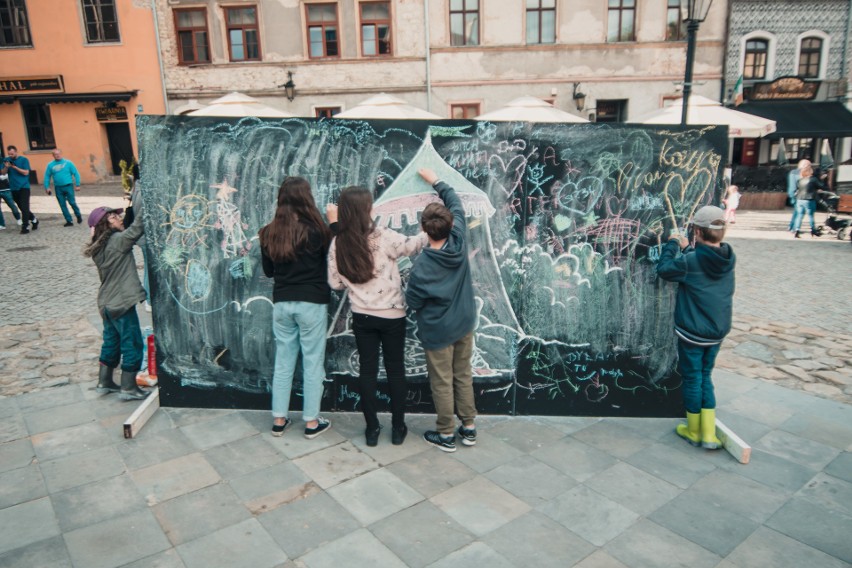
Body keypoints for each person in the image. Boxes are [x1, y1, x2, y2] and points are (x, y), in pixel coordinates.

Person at [327, 186, 426, 446]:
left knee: (367, 372)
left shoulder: (339, 242)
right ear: (367, 209)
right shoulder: (383, 236)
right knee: (395, 371)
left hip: (363, 317)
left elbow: (335, 283)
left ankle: (372, 430)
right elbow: (411, 246)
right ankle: (397, 428)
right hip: (393, 315)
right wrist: (429, 231)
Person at [405, 168, 478, 453]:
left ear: (424, 229)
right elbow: (455, 202)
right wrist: (435, 180)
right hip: (464, 323)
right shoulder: (459, 239)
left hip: (438, 331)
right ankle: (469, 428)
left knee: (443, 382)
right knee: (463, 374)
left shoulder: (421, 266)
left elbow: (413, 302)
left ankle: (446, 433)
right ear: (450, 225)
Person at [656, 205, 736, 450]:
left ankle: (692, 430)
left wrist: (671, 244)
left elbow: (664, 270)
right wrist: (688, 249)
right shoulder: (727, 257)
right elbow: (703, 262)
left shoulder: (690, 262)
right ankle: (709, 433)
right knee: (706, 377)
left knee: (692, 378)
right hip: (717, 331)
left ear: (697, 232)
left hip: (693, 333)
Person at [259, 177, 332, 439]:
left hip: (282, 303)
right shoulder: (318, 231)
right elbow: (331, 259)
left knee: (283, 361)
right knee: (312, 363)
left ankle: (279, 420)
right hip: (312, 302)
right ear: (306, 198)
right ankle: (311, 422)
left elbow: (268, 272)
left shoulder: (268, 232)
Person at [84, 205, 149, 401]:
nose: (120, 218)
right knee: (132, 343)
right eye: (114, 216)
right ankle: (128, 387)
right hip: (121, 302)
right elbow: (137, 227)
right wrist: (147, 203)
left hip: (106, 303)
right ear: (106, 222)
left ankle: (104, 382)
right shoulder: (118, 241)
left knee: (111, 342)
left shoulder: (98, 247)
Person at [2, 145, 38, 234]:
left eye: (12, 154)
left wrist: (15, 167)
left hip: (24, 187)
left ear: (16, 152)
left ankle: (25, 226)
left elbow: (26, 172)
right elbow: (3, 173)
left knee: (25, 206)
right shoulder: (6, 160)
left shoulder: (23, 160)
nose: (11, 156)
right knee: (21, 207)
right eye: (9, 154)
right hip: (13, 188)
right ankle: (34, 219)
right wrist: (6, 167)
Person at [43, 149, 83, 227]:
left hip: (68, 186)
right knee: (62, 204)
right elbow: (47, 176)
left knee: (72, 202)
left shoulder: (68, 163)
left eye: (59, 154)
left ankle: (78, 215)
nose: (57, 155)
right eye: (55, 154)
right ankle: (69, 220)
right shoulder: (50, 165)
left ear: (61, 154)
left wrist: (77, 184)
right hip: (58, 187)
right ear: (53, 156)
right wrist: (47, 187)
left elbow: (76, 173)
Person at [791, 163, 829, 238]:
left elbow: (799, 189)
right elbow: (821, 186)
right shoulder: (813, 179)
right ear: (809, 171)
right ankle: (813, 230)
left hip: (799, 199)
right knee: (811, 216)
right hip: (809, 199)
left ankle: (797, 230)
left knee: (800, 215)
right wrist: (823, 179)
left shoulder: (800, 180)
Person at [787, 159, 811, 232]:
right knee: (800, 212)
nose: (809, 167)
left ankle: (791, 226)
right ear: (804, 165)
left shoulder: (793, 172)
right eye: (808, 165)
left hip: (794, 194)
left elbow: (792, 186)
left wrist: (792, 194)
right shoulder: (802, 173)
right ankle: (795, 228)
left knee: (797, 211)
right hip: (800, 195)